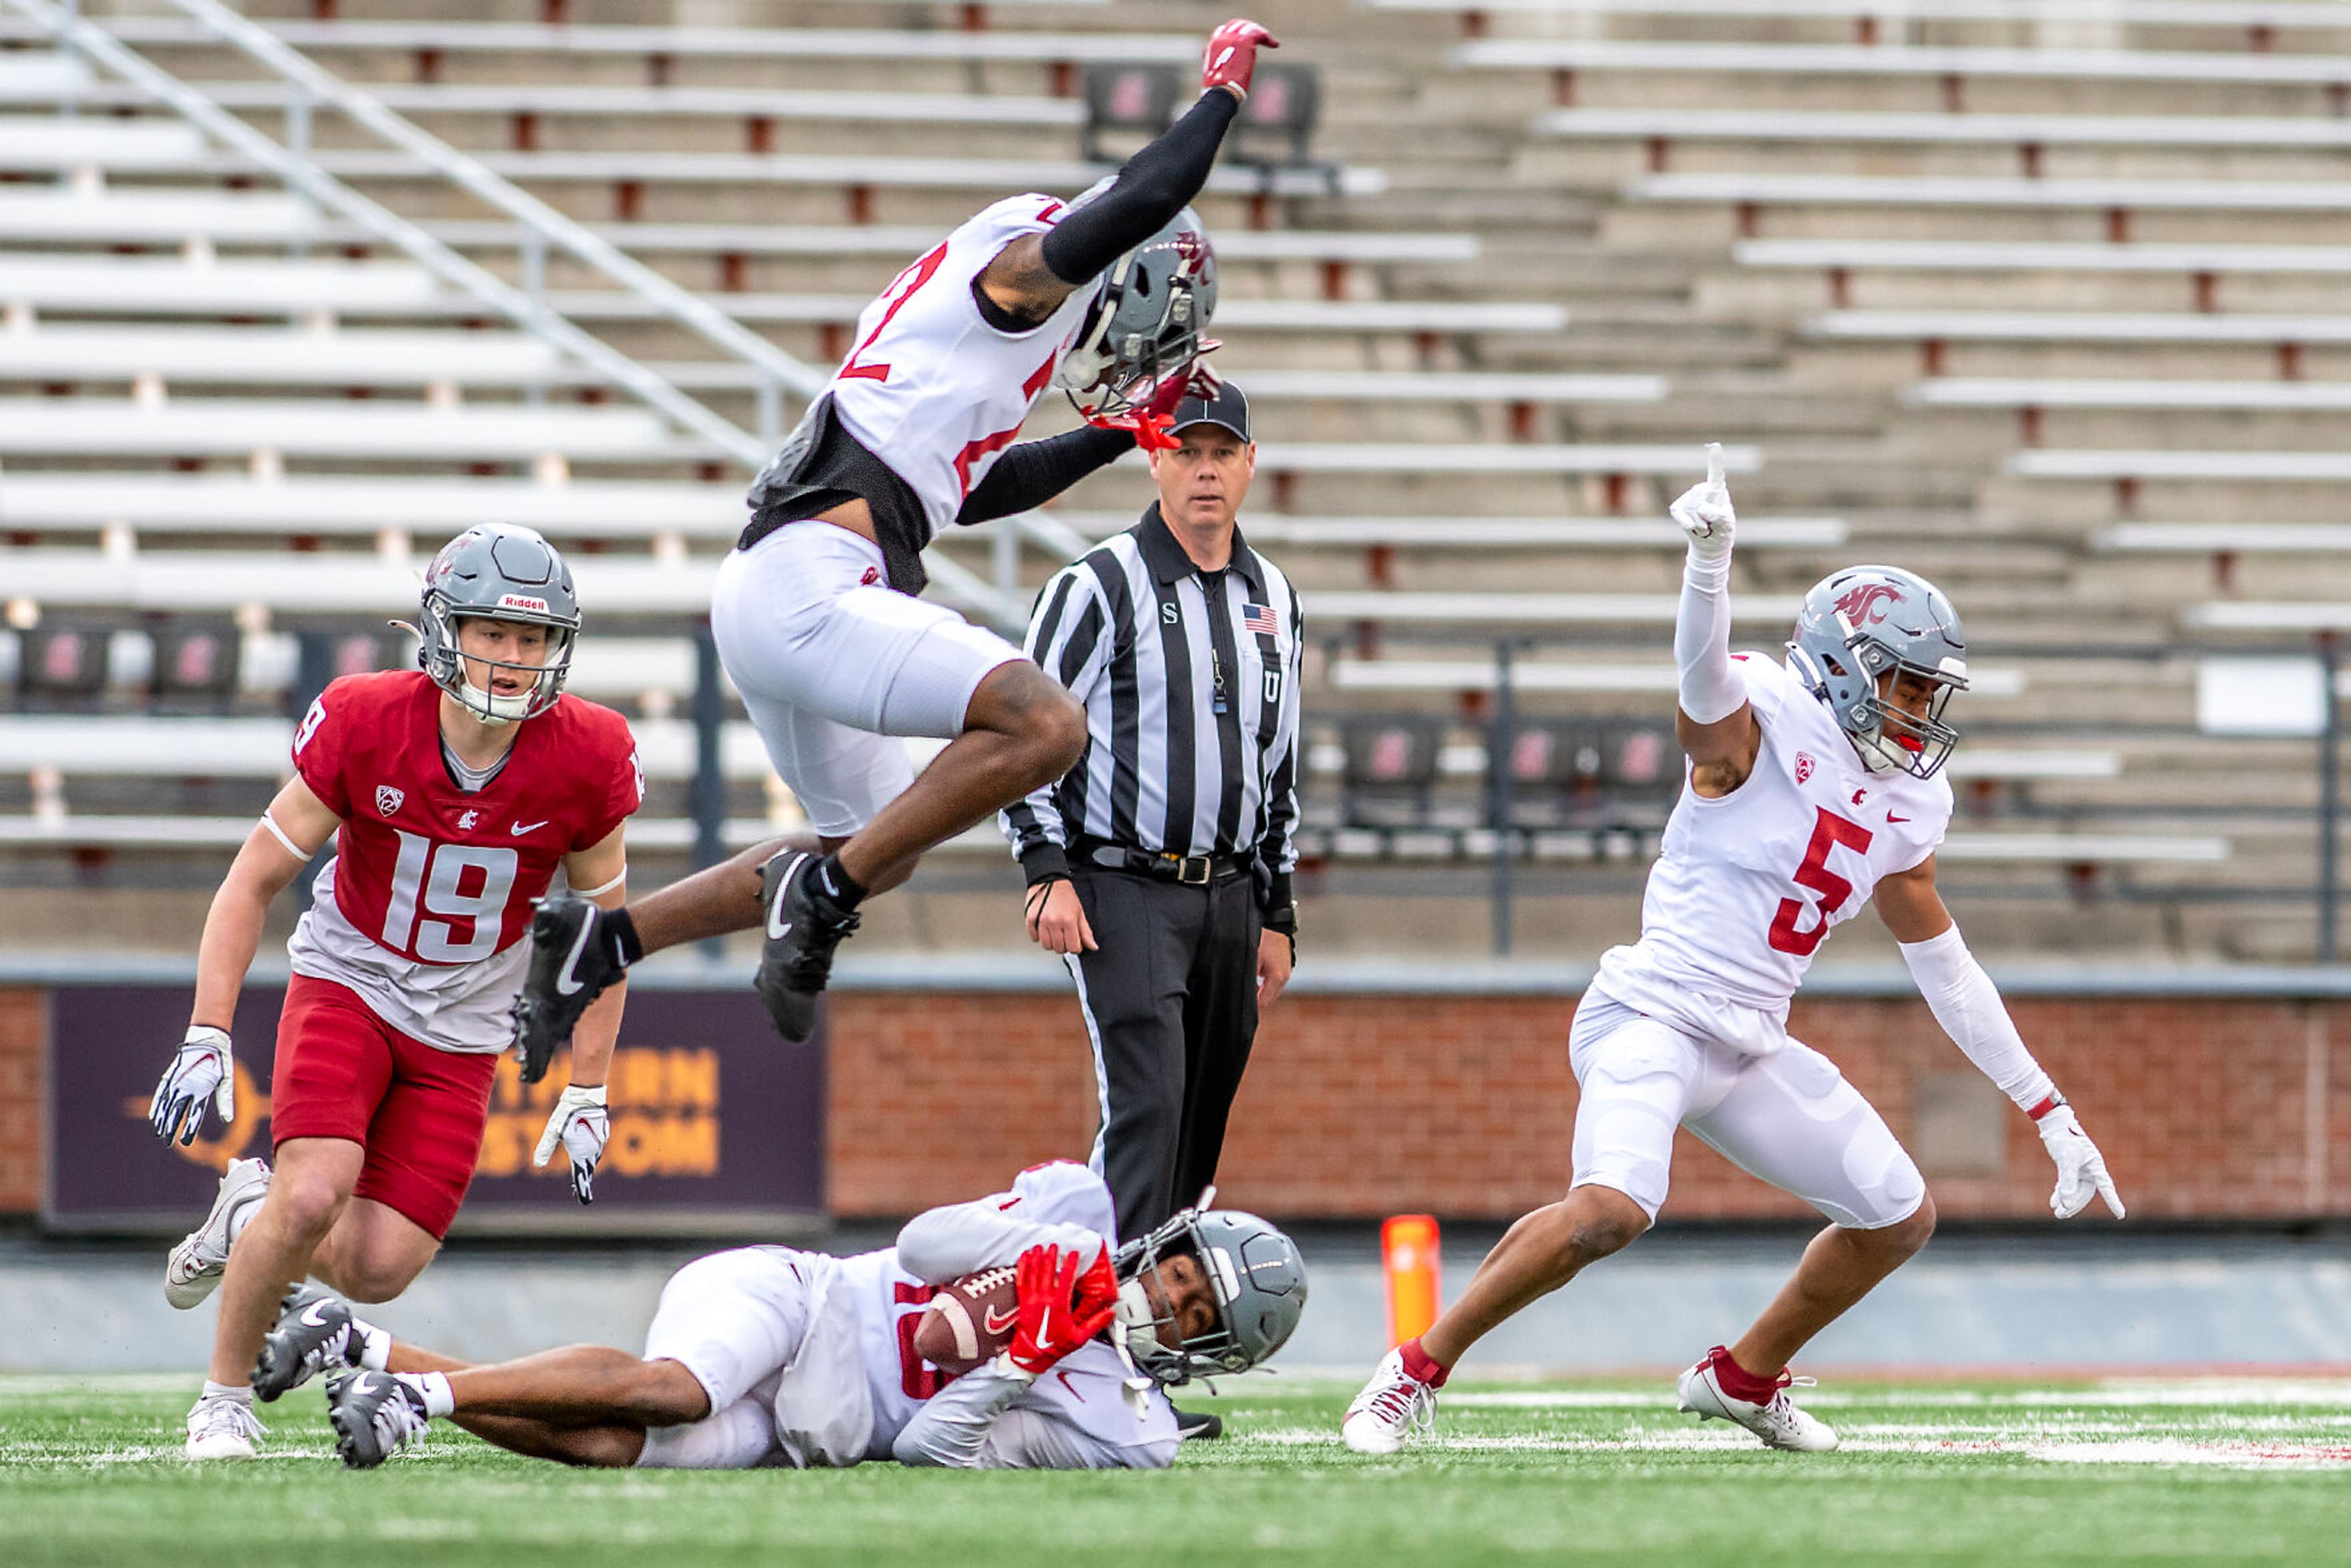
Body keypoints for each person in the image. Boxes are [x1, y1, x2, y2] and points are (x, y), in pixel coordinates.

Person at [508, 19, 1283, 1056]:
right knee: (1046, 728)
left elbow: (968, 491)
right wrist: (1224, 94)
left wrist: (1108, 439)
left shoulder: (964, 332)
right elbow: (1147, 196)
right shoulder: (1021, 280)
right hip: (811, 589)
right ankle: (820, 902)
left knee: (876, 842)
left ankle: (599, 943)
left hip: (784, 583)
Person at [1340, 448, 2127, 1457]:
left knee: (1898, 1215)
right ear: (1844, 666)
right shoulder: (1761, 715)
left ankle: (1742, 1378)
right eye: (1903, 684)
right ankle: (1412, 1368)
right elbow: (1703, 694)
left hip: (1751, 1040)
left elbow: (1947, 967)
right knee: (1610, 1211)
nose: (1919, 713)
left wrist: (2049, 1109)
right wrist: (1708, 565)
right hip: (1654, 1013)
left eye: (1930, 692)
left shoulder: (1910, 799)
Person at [146, 523, 643, 1460]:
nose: (511, 658)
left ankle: (245, 1211)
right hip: (354, 977)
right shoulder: (369, 718)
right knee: (315, 1193)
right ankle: (222, 1399)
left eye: (532, 639)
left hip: (466, 1021)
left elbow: (602, 937)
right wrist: (209, 1028)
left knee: (378, 1266)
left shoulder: (589, 753)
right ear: (443, 628)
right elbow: (250, 879)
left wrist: (589, 1086)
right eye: (492, 632)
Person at [246, 1161, 1306, 1471]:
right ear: (1164, 1245)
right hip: (803, 1301)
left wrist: (1030, 1353)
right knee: (677, 1387)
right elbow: (928, 1247)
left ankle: (364, 1344)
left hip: (812, 1432)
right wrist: (1027, 1259)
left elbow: (931, 1446)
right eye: (1180, 1273)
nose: (1170, 1298)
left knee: (615, 1443)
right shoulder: (1076, 1217)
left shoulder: (1134, 1430)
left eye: (1197, 1308)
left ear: (1217, 1349)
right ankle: (419, 1400)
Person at [1003, 383, 1301, 1255]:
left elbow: (1275, 756)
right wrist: (1044, 868)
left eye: (1220, 454)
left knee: (1198, 1128)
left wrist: (1276, 912)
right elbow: (1019, 736)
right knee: (1149, 1108)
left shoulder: (1275, 593)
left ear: (1250, 464)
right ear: (1154, 459)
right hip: (1121, 880)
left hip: (1232, 891)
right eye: (1185, 452)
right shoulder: (1096, 585)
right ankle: (1096, 1334)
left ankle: (1153, 1343)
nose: (1204, 472)